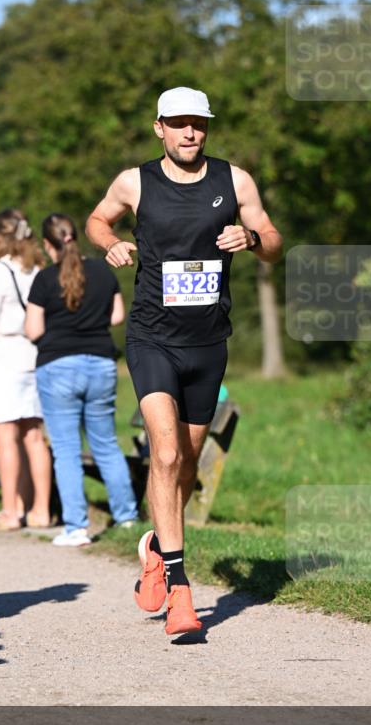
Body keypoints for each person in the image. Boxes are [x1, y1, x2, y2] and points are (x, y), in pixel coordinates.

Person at [86, 86, 283, 636]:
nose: (189, 133)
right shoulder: (136, 181)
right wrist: (111, 243)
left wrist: (253, 237)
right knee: (165, 454)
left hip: (208, 342)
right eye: (178, 124)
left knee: (187, 464)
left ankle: (154, 542)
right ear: (160, 128)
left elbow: (273, 240)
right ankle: (179, 589)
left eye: (198, 123)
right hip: (151, 338)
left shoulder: (234, 180)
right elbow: (97, 219)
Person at [25, 213, 138, 547]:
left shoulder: (44, 279)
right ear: (75, 236)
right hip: (101, 363)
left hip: (57, 366)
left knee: (66, 450)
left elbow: (33, 330)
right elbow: (117, 315)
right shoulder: (103, 271)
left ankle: (76, 527)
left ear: (48, 245)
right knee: (105, 444)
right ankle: (128, 517)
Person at [0, 209, 52, 532]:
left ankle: (10, 512)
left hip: (2, 359)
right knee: (34, 436)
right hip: (32, 355)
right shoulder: (37, 269)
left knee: (5, 439)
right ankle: (40, 510)